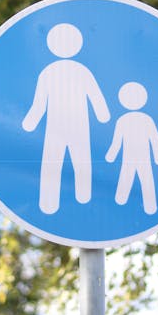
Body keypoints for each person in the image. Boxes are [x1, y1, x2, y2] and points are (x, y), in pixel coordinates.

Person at [22, 23, 110, 214]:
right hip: (74, 126)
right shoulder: (81, 71)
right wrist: (103, 115)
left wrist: (30, 122)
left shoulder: (48, 72)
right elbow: (96, 98)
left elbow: (39, 105)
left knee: (55, 162)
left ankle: (49, 203)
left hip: (57, 128)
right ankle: (84, 198)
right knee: (81, 161)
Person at [105, 82, 158, 215]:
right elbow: (154, 141)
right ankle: (147, 206)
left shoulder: (123, 120)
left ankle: (122, 201)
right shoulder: (145, 120)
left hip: (134, 158)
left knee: (132, 177)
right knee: (143, 179)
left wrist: (111, 156)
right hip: (137, 158)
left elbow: (117, 143)